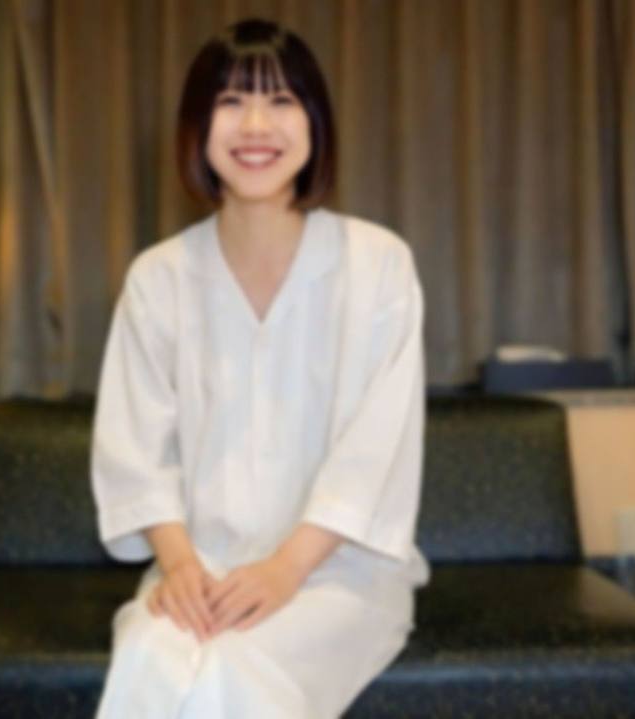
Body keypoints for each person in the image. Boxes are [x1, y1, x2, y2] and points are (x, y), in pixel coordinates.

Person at [91, 17, 429, 718]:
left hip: (341, 574)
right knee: (150, 656)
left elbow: (375, 451)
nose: (254, 125)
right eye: (230, 101)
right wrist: (180, 565)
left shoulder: (378, 266)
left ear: (314, 125)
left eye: (280, 101)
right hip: (200, 566)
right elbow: (135, 450)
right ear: (198, 127)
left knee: (232, 671)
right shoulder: (158, 278)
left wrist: (284, 569)